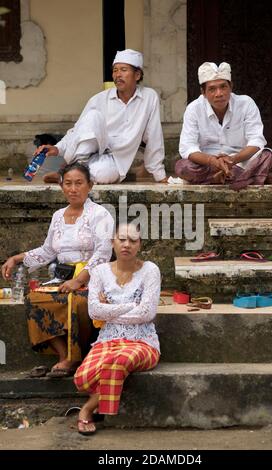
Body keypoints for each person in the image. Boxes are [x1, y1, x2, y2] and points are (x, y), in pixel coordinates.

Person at [1, 162, 114, 377]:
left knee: (78, 302)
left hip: (93, 277)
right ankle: (65, 355)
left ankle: (77, 355)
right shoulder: (58, 216)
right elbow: (47, 250)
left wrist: (79, 280)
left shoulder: (100, 215)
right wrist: (16, 258)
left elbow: (102, 254)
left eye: (79, 183)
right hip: (62, 277)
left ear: (90, 185)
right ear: (62, 187)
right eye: (68, 183)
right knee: (34, 299)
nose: (73, 189)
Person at [74, 222, 161, 435]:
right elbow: (94, 311)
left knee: (117, 362)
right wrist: (131, 306)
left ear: (139, 245)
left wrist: (110, 309)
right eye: (122, 239)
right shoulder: (99, 272)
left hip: (143, 342)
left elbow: (147, 314)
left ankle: (87, 410)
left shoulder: (150, 270)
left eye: (133, 240)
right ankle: (99, 399)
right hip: (107, 340)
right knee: (81, 378)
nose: (126, 245)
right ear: (113, 242)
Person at [35, 49, 167, 185]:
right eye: (115, 70)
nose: (118, 75)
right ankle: (76, 168)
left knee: (103, 175)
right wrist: (58, 148)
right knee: (93, 116)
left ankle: (66, 175)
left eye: (123, 70)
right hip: (88, 151)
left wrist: (159, 175)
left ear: (137, 75)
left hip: (116, 159)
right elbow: (78, 130)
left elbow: (154, 136)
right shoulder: (99, 99)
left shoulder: (149, 97)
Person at [175, 62, 272, 190]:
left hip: (240, 161)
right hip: (208, 163)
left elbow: (256, 141)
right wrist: (213, 161)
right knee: (182, 167)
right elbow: (187, 147)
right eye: (212, 89)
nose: (219, 93)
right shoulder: (193, 109)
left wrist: (232, 160)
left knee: (267, 155)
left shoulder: (246, 103)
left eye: (223, 87)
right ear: (203, 92)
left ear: (231, 87)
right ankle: (252, 177)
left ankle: (221, 178)